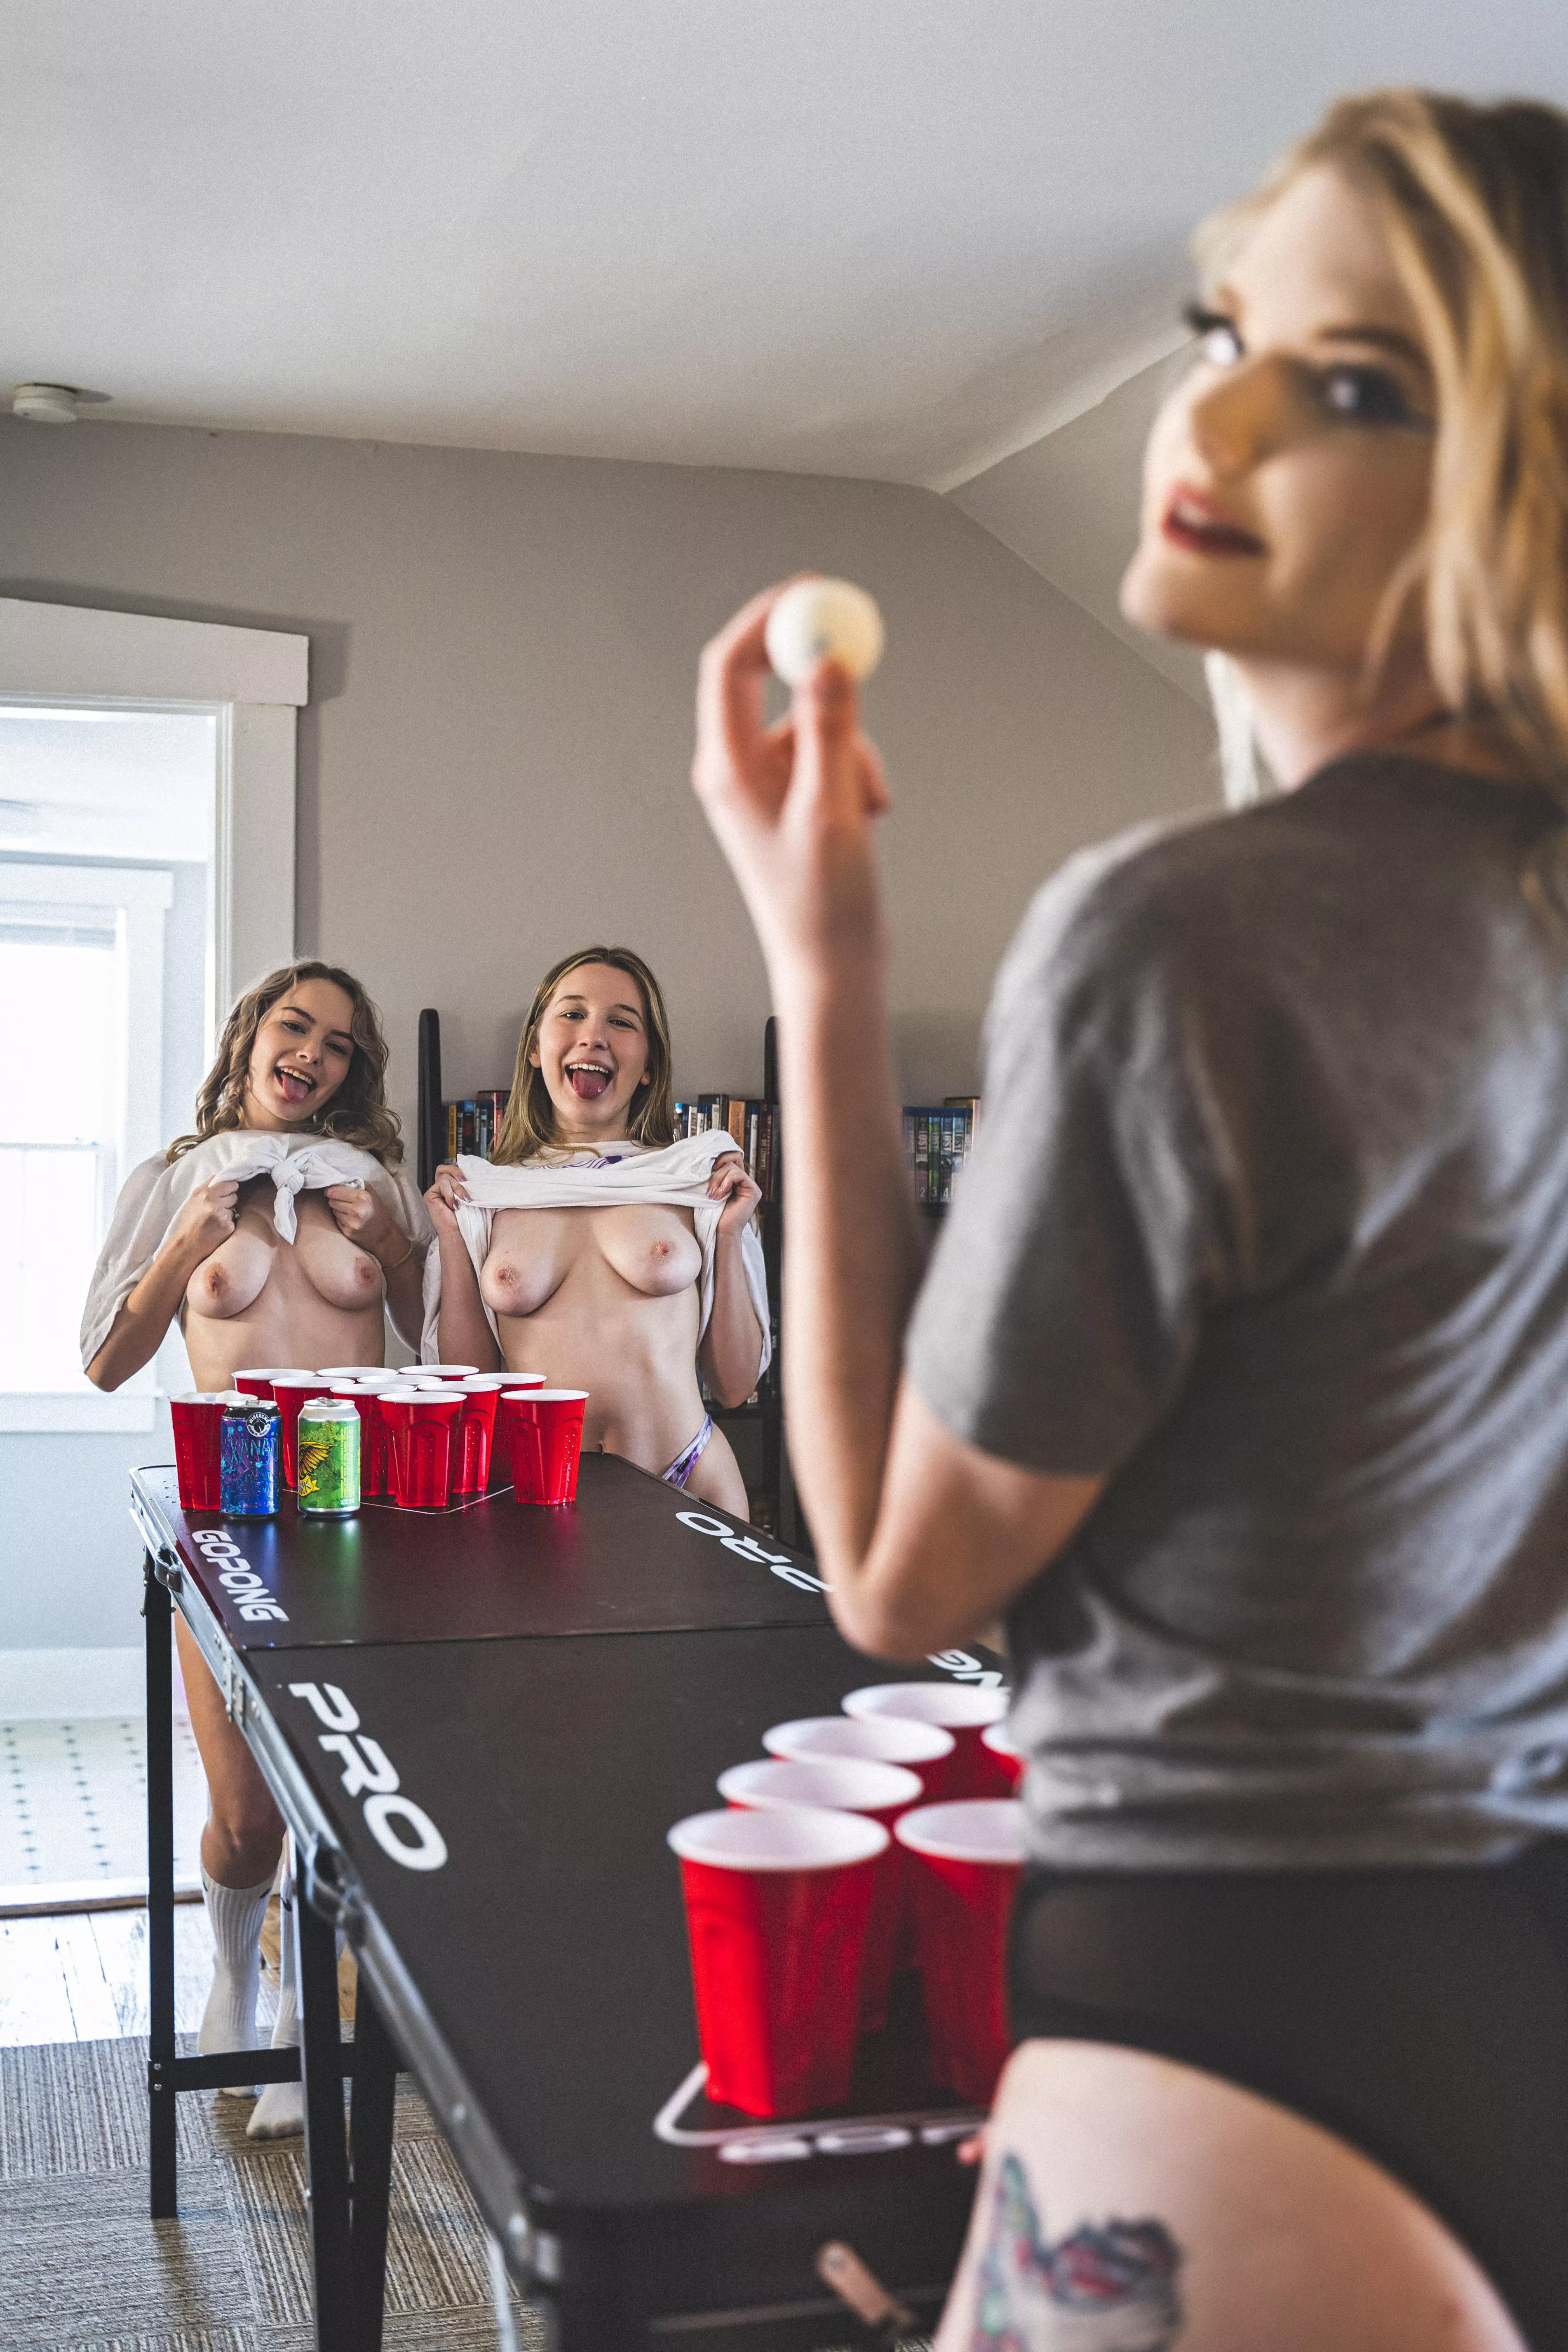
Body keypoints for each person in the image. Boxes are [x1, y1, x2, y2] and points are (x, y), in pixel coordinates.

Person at [693, 91, 1568, 2352]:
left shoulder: (1179, 936)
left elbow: (894, 1568)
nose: (1220, 402)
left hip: (1234, 2014)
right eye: (1226, 324)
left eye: (1355, 382)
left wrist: (824, 965)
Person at [85, 960, 428, 2138]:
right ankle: (232, 1973)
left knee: (345, 1801)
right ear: (250, 1037)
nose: (313, 1054)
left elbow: (447, 1337)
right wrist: (187, 1242)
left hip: (364, 1519)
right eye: (296, 1026)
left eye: (338, 1043)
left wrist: (406, 1245)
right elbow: (105, 1359)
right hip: (224, 1522)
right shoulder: (174, 1179)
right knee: (247, 1813)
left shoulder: (365, 1184)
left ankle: (297, 2014)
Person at [423, 946, 767, 1515]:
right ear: (535, 1047)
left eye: (622, 1021)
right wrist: (454, 1240)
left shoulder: (695, 1181)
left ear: (650, 1061)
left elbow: (732, 1386)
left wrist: (729, 1235)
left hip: (688, 1482)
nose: (594, 1036)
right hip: (537, 1496)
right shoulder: (484, 1195)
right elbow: (471, 1389)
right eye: (573, 1014)